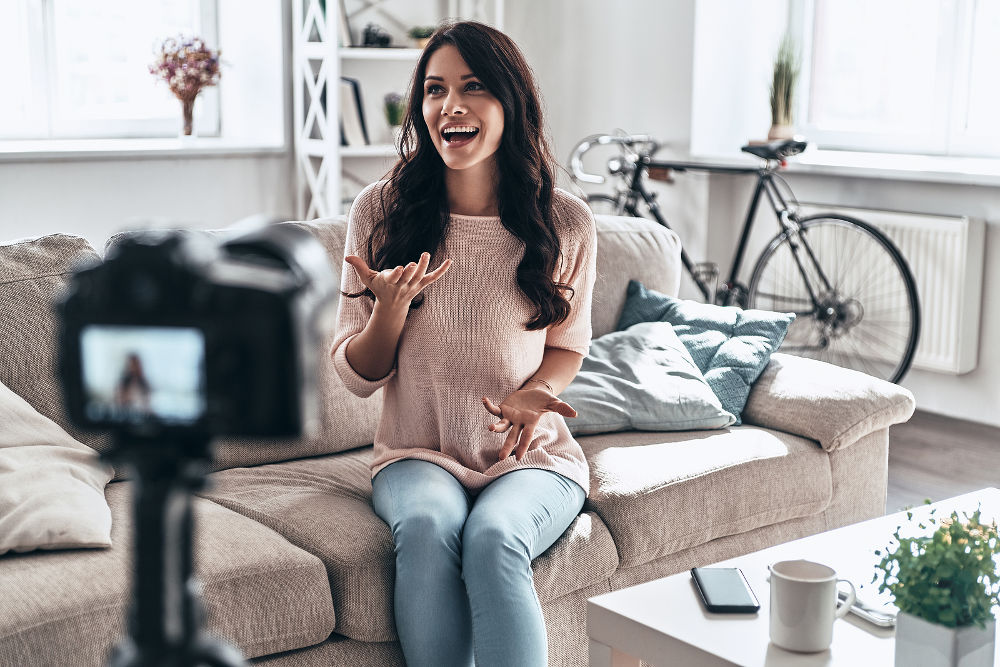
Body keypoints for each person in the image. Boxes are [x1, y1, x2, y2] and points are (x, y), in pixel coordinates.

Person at [330, 20, 596, 667]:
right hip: (418, 451)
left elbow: (567, 345)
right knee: (426, 527)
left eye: (473, 87)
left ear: (511, 101)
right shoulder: (380, 211)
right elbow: (357, 375)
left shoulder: (565, 222)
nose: (450, 105)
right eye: (434, 89)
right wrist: (387, 312)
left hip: (533, 459)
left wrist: (537, 392)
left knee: (496, 537)